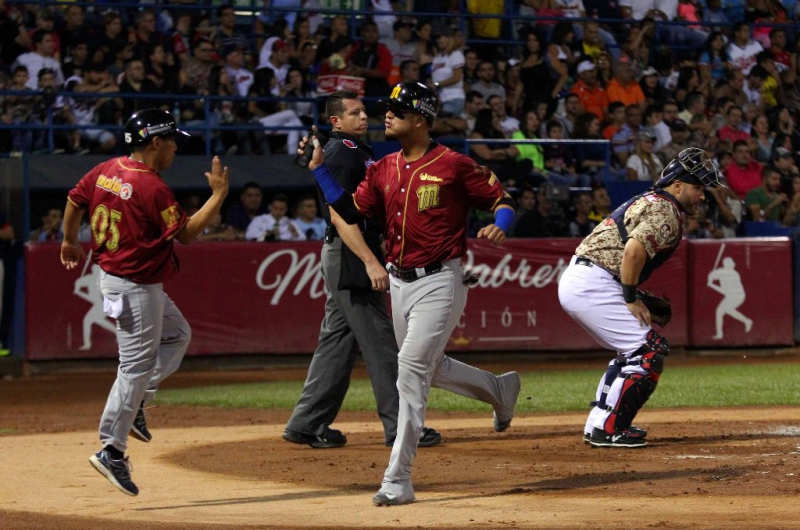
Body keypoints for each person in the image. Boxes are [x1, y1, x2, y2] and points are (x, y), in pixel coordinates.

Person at [302, 82, 522, 506]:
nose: (386, 116)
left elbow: (502, 198)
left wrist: (503, 224)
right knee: (429, 368)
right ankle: (497, 390)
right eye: (387, 109)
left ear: (420, 119)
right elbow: (348, 210)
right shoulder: (382, 168)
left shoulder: (453, 164)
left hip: (441, 280)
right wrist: (318, 172)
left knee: (409, 371)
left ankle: (397, 477)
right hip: (399, 280)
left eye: (397, 111)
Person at [59, 108, 229, 496]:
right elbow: (186, 235)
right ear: (155, 142)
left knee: (177, 334)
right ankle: (111, 450)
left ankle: (136, 403)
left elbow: (74, 200)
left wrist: (69, 239)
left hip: (120, 277)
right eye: (171, 141)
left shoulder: (106, 168)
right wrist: (218, 195)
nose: (174, 149)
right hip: (134, 284)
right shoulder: (152, 186)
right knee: (133, 367)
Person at [283, 90, 442, 451]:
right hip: (351, 250)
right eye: (354, 113)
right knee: (381, 341)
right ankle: (402, 427)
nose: (363, 117)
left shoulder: (352, 150)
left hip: (350, 249)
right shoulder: (343, 151)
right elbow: (338, 213)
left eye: (363, 111)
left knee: (337, 341)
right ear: (335, 121)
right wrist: (370, 260)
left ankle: (307, 423)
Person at [558, 147, 724, 448]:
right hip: (594, 281)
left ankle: (599, 423)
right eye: (698, 188)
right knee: (648, 351)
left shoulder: (652, 201)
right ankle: (610, 429)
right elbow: (634, 250)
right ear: (677, 186)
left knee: (631, 352)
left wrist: (629, 294)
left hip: (586, 278)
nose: (702, 196)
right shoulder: (666, 209)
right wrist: (631, 297)